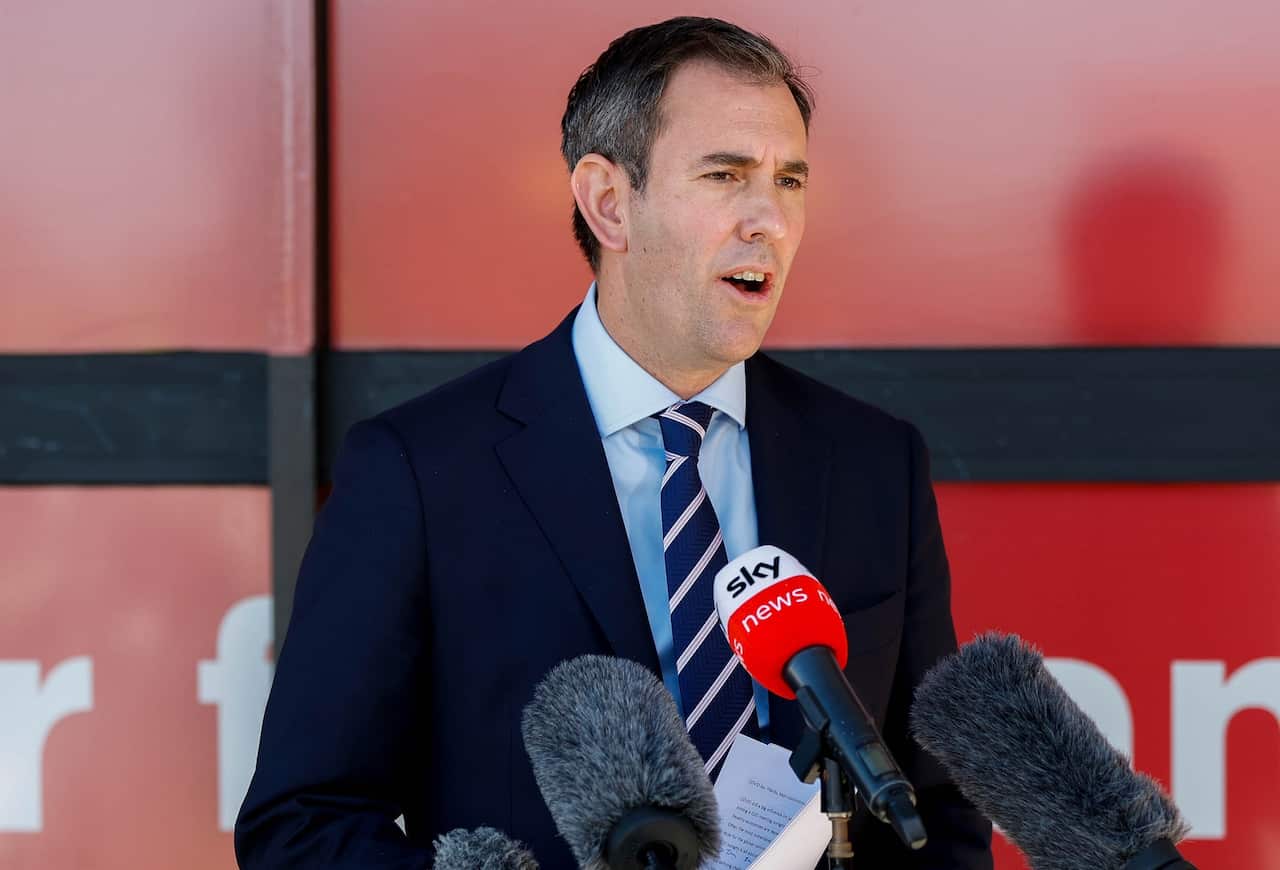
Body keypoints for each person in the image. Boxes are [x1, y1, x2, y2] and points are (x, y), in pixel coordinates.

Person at [236, 16, 993, 868]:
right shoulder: (419, 472)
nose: (769, 221)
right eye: (725, 175)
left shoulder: (873, 464)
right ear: (608, 202)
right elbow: (303, 824)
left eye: (789, 181)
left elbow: (938, 815)